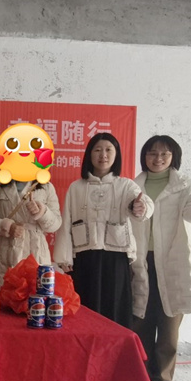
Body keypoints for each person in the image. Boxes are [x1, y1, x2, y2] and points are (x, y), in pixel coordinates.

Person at [131, 135, 191, 381]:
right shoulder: (133, 185)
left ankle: (163, 380)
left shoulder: (184, 186)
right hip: (141, 259)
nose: (157, 159)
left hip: (171, 260)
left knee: (169, 322)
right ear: (144, 156)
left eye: (164, 154)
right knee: (140, 319)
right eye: (152, 153)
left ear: (173, 157)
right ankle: (141, 375)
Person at [54, 132, 153, 328]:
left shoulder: (126, 185)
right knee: (85, 310)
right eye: (97, 150)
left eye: (109, 150)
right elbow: (66, 222)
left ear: (116, 155)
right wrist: (64, 257)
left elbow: (145, 204)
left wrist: (140, 207)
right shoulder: (76, 187)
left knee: (114, 310)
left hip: (115, 258)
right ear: (89, 155)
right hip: (84, 258)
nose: (103, 155)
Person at [0, 180, 62, 297]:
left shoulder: (46, 186)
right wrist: (6, 226)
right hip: (5, 250)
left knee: (33, 301)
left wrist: (42, 212)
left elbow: (56, 224)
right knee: (0, 299)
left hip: (35, 250)